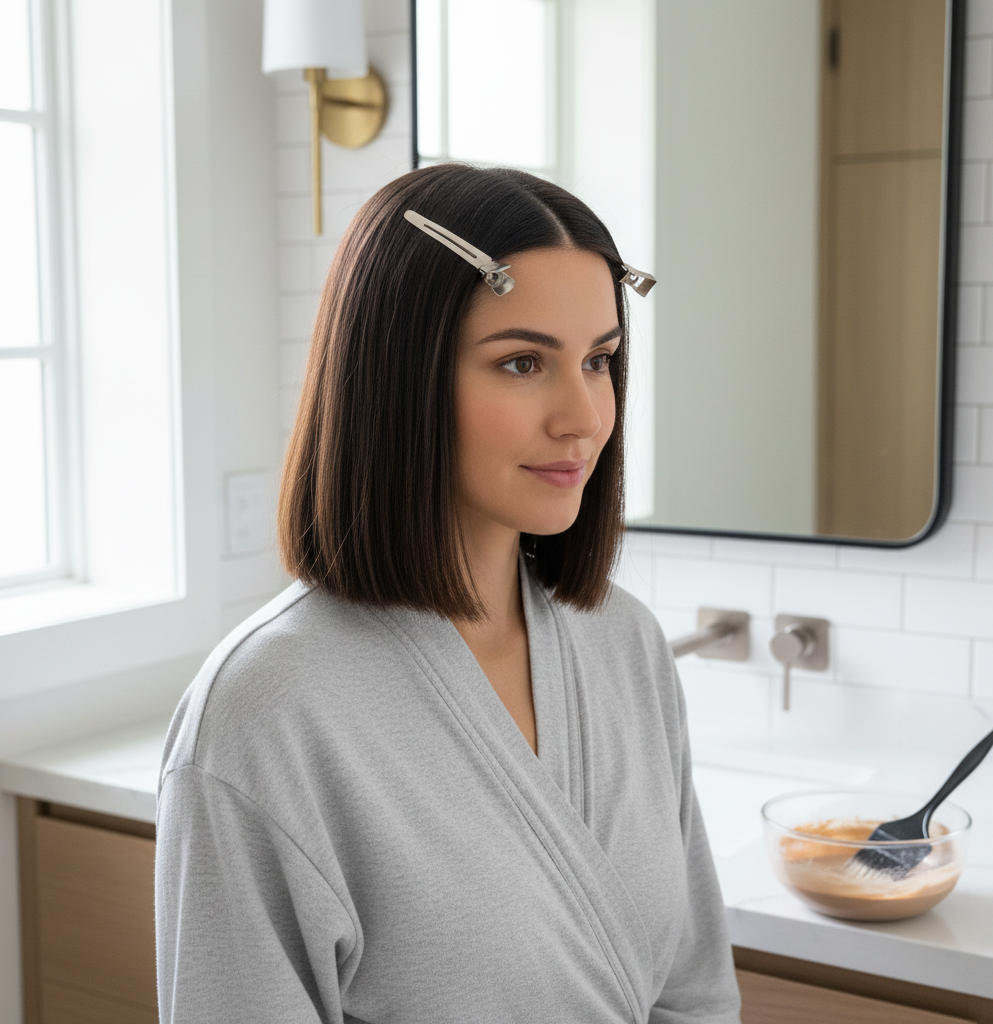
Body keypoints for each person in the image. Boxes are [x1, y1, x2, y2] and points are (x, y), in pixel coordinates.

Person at [154, 163, 742, 1023]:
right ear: (398, 379)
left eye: (600, 360)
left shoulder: (624, 641)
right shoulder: (265, 712)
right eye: (521, 362)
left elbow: (695, 994)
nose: (582, 415)